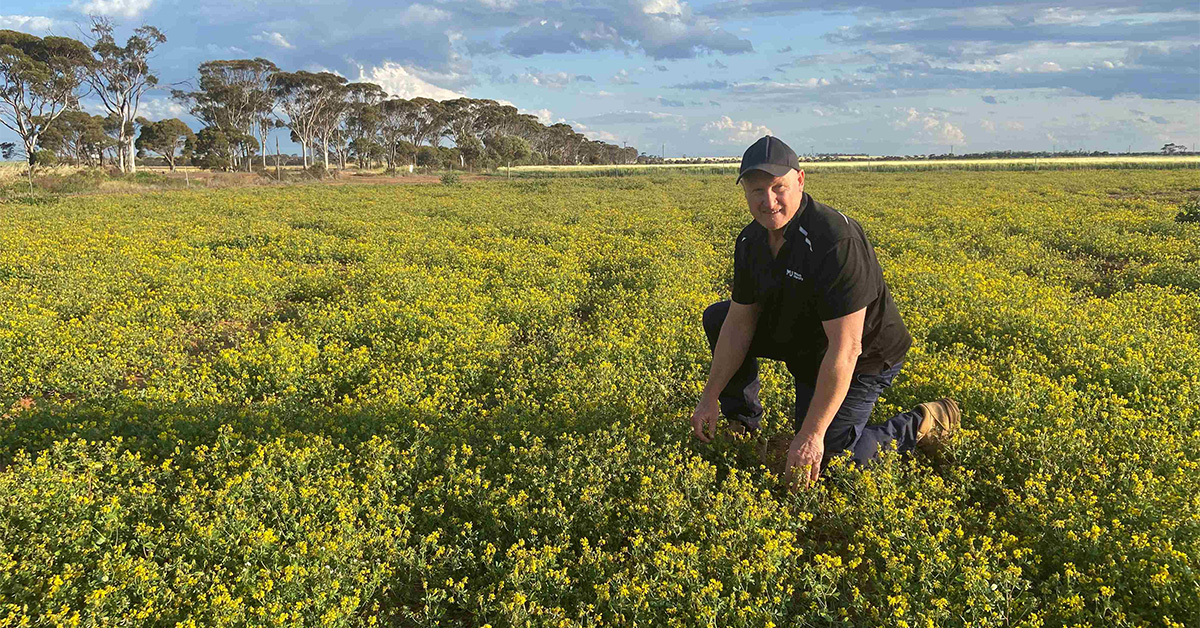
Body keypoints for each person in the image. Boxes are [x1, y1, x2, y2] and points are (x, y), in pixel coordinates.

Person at [689, 135, 960, 488]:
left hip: (864, 356)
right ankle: (742, 421)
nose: (768, 201)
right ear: (744, 192)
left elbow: (846, 348)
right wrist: (709, 397)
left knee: (830, 460)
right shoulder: (750, 240)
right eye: (757, 190)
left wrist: (812, 435)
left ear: (800, 180)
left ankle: (922, 421)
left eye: (778, 187)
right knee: (719, 317)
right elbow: (740, 322)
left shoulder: (834, 239)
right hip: (809, 341)